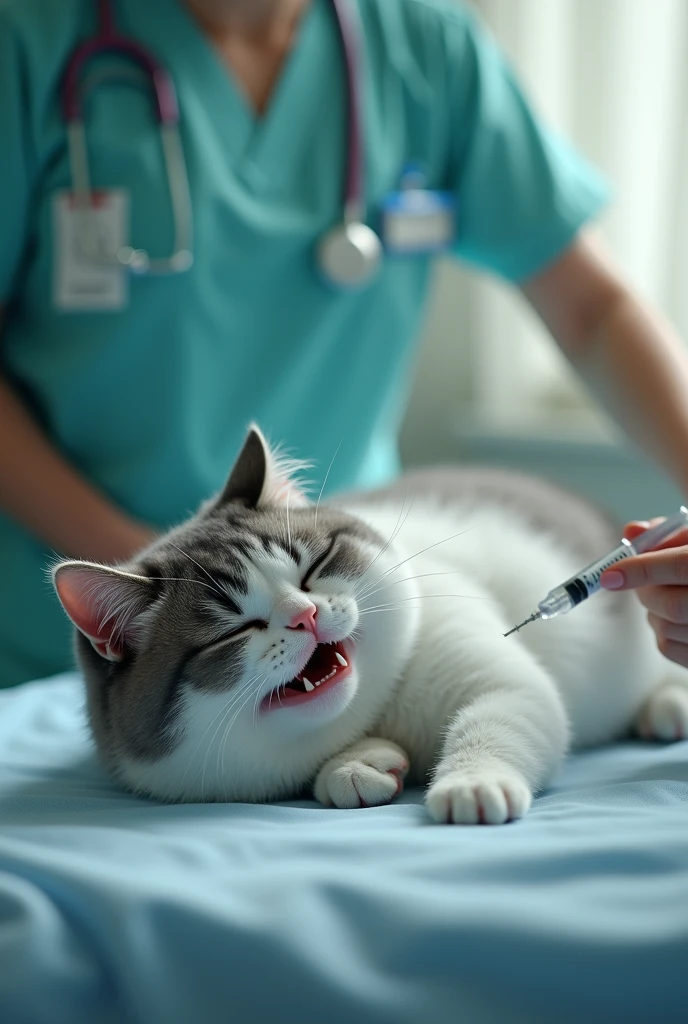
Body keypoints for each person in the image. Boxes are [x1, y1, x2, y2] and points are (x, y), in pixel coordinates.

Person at [2, 0, 688, 689]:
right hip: (94, 651)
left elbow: (595, 309)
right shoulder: (28, 42)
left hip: (341, 625)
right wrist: (162, 604)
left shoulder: (425, 46)